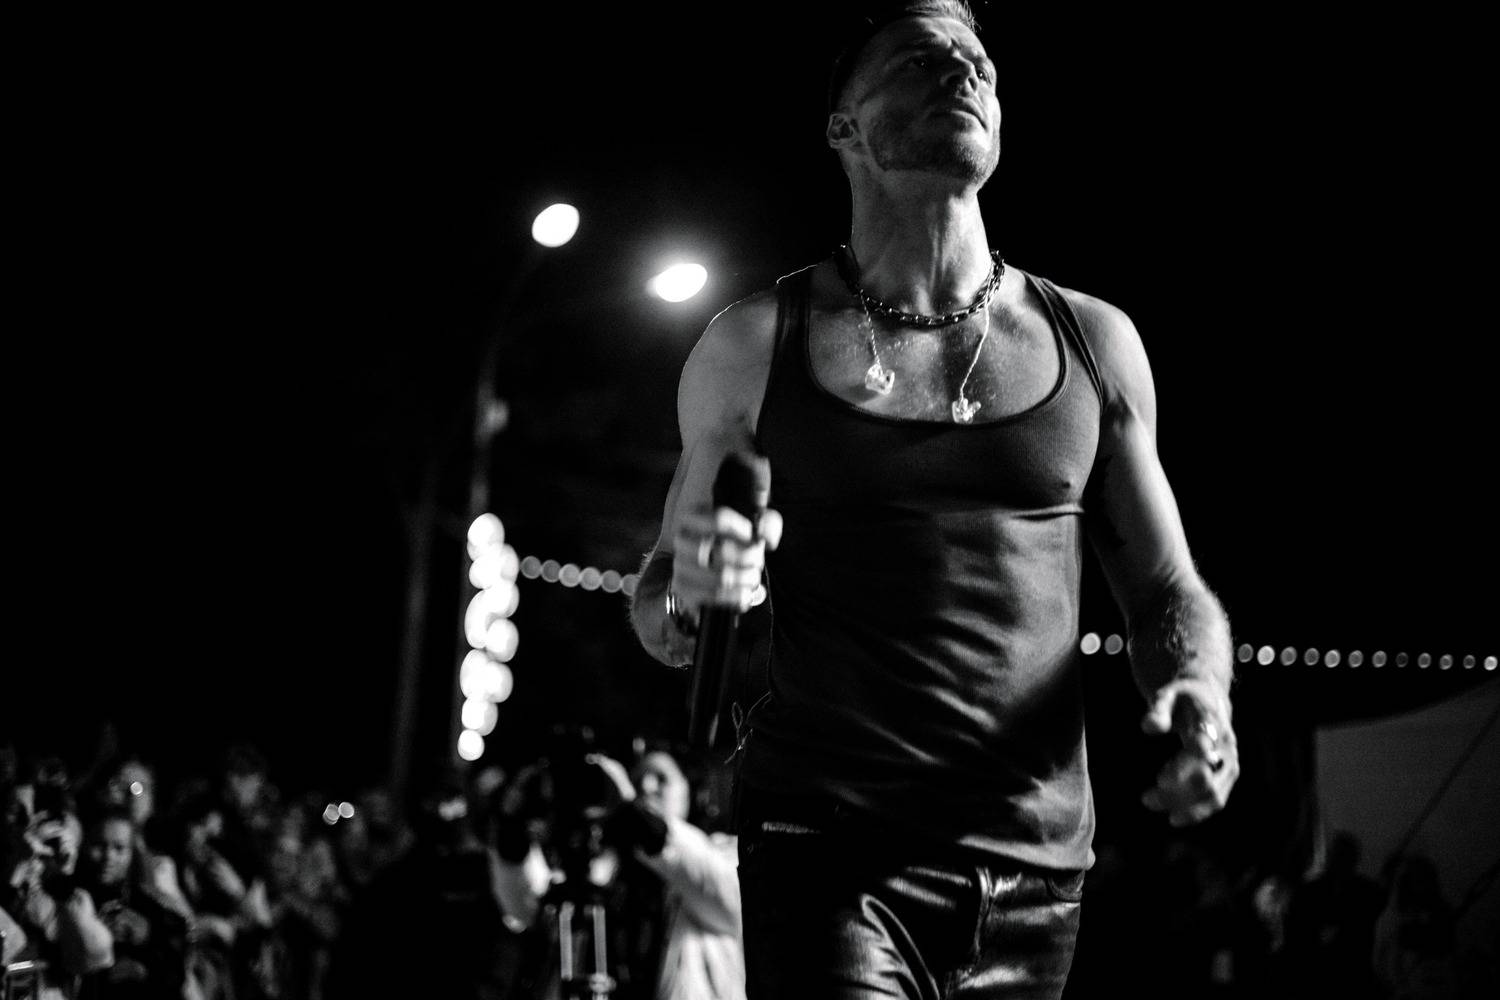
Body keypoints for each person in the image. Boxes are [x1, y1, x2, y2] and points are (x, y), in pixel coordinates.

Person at [627, 2, 1240, 995]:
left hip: (1040, 869)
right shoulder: (755, 343)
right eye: (920, 58)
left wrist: (1200, 693)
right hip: (827, 851)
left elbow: (1166, 592)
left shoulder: (1095, 342)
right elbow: (662, 610)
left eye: (978, 62)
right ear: (844, 126)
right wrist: (695, 593)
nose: (963, 74)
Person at [590, 748, 746, 1000]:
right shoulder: (613, 862)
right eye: (637, 780)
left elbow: (731, 901)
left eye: (661, 778)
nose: (646, 786)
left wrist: (638, 816)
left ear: (693, 792)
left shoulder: (723, 852)